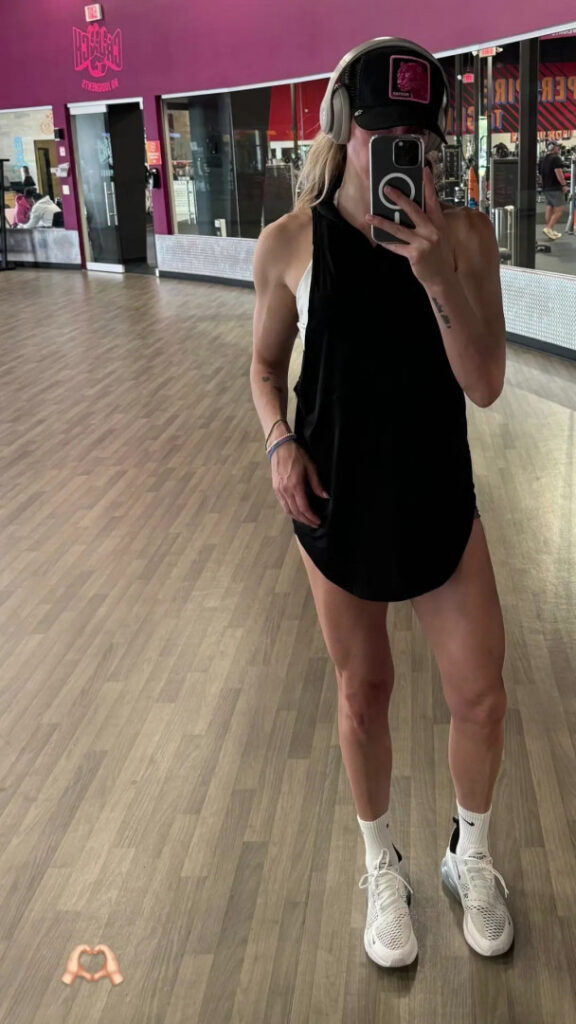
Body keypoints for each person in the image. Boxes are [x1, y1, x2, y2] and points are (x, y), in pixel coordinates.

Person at [250, 37, 512, 969]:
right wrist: (278, 441)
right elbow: (264, 368)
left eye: (418, 136)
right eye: (381, 133)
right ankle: (381, 866)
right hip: (338, 502)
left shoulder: (466, 238)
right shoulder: (290, 242)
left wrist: (434, 274)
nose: (402, 150)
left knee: (481, 695)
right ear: (341, 130)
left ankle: (468, 855)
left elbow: (485, 385)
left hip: (438, 494)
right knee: (363, 695)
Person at [538, 141, 568, 239]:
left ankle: (549, 230)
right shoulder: (556, 158)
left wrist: (543, 185)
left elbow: (540, 175)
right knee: (560, 209)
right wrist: (564, 184)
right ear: (553, 148)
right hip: (555, 187)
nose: (558, 148)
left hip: (546, 187)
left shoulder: (542, 159)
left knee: (549, 207)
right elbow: (558, 172)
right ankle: (549, 228)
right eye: (557, 147)